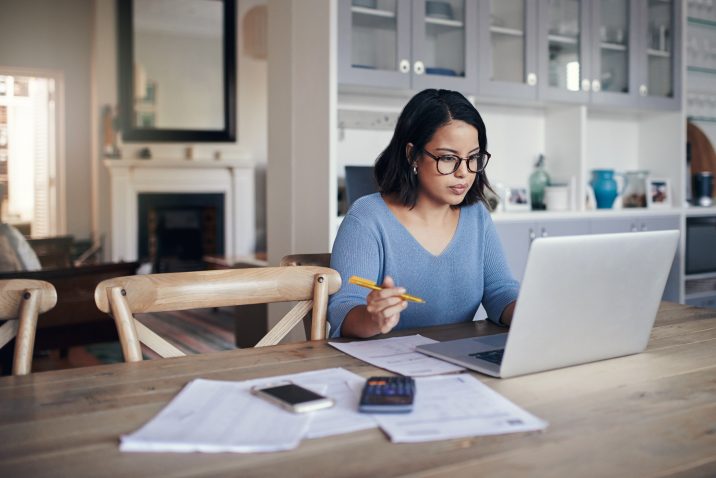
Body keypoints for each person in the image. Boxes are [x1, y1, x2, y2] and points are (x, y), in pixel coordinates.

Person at [328, 89, 519, 338]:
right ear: (413, 155)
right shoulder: (368, 217)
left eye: (473, 158)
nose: (464, 172)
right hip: (383, 368)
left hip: (456, 362)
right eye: (448, 158)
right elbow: (344, 309)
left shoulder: (476, 216)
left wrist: (532, 312)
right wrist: (372, 318)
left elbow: (499, 291)